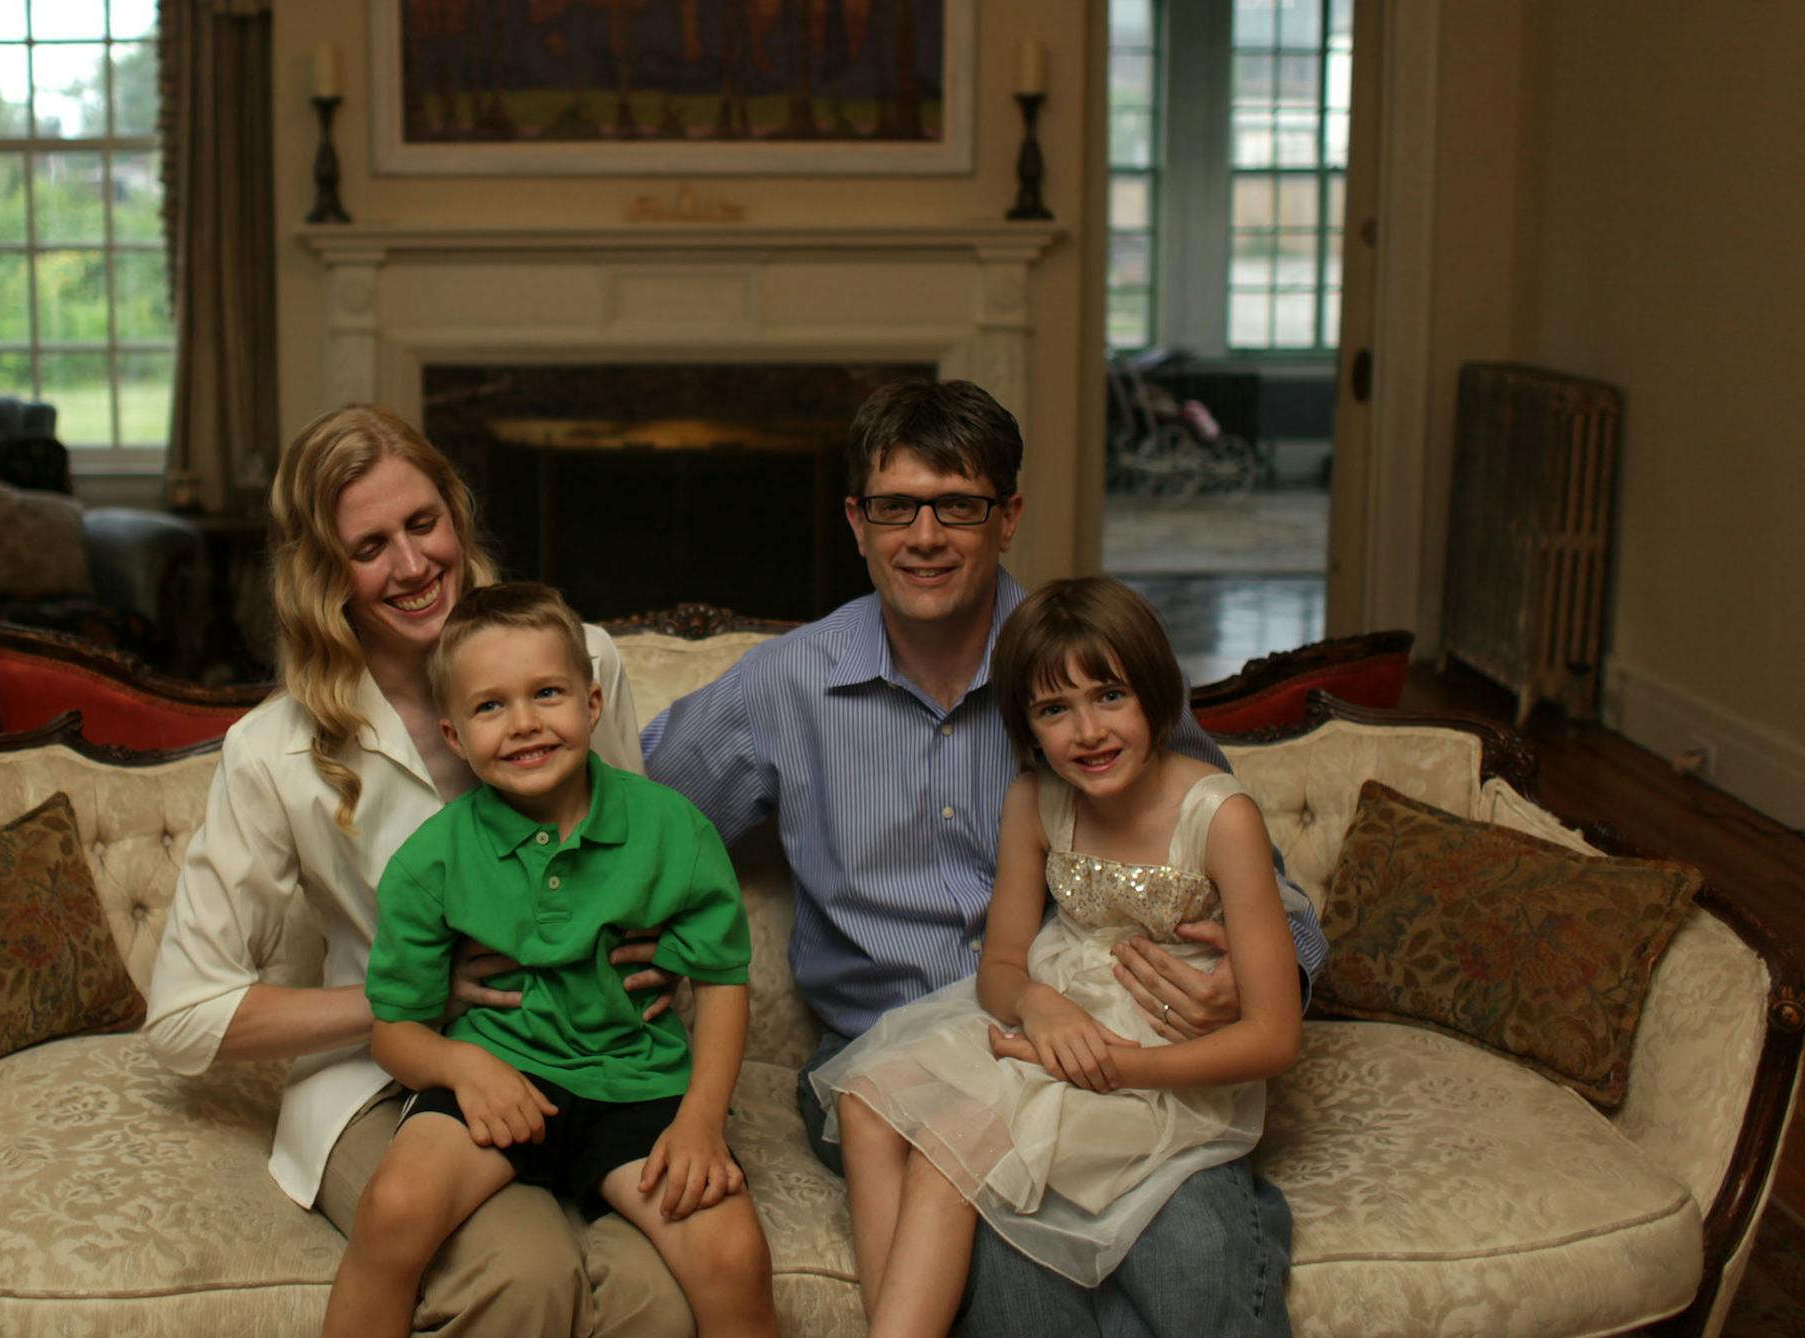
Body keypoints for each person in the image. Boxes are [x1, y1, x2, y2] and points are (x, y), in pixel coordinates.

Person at [643, 377, 1327, 1338]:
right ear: (857, 521)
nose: (925, 535)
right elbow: (629, 817)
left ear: (1007, 517)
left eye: (958, 505)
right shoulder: (784, 686)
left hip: (1096, 1042)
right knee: (1014, 1293)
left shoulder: (1089, 675)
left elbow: (1251, 871)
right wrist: (581, 927)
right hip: (888, 1057)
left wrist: (1262, 980)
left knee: (1198, 1264)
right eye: (896, 507)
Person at [144, 404, 693, 1338]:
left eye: (422, 523)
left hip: (592, 1058)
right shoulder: (275, 751)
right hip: (384, 1080)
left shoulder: (581, 660)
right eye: (368, 545)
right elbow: (186, 1018)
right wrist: (410, 996)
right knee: (522, 1277)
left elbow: (641, 867)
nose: (410, 565)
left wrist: (667, 960)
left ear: (458, 514)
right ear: (325, 572)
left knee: (657, 1289)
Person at [810, 577, 1301, 1335]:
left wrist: (1115, 1065)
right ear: (1028, 727)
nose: (1087, 731)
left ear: (1158, 696)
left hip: (1156, 1054)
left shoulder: (1220, 816)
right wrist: (1041, 1004)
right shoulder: (1034, 801)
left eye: (1110, 696)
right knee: (865, 1103)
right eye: (1053, 710)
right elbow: (1001, 965)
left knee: (951, 1150)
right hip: (1057, 1013)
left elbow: (1274, 1036)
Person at [332, 582, 776, 1338]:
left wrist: (702, 1122)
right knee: (395, 1209)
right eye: (490, 706)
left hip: (639, 1082)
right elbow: (394, 1032)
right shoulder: (430, 862)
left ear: (592, 704)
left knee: (733, 1254)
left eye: (547, 694)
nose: (525, 724)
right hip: (501, 1077)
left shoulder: (672, 828)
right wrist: (458, 1068)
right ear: (453, 732)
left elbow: (722, 980)